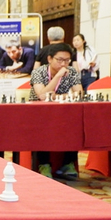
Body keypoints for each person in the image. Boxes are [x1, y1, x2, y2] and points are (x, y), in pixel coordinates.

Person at [30, 43, 82, 178]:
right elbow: (42, 95)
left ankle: (67, 164)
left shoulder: (71, 71)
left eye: (67, 60)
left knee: (76, 125)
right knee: (42, 128)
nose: (63, 64)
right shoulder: (38, 72)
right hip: (39, 113)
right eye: (59, 60)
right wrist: (58, 76)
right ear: (49, 59)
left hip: (62, 112)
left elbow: (79, 94)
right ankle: (44, 164)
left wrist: (58, 96)